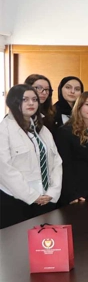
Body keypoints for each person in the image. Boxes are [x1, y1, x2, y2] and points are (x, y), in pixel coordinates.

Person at [0, 85, 62, 229]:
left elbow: (56, 162)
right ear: (13, 102)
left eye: (34, 99)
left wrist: (52, 192)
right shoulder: (4, 130)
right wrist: (31, 196)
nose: (31, 103)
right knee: (18, 241)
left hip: (46, 199)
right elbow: (4, 169)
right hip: (15, 201)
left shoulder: (42, 129)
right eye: (25, 99)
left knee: (46, 240)